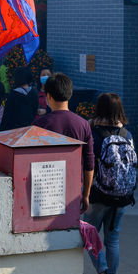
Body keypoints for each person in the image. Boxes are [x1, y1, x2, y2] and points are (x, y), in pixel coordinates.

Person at [83, 93, 138, 274]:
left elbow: (88, 164)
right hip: (122, 196)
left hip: (98, 195)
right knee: (112, 240)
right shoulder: (127, 134)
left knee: (89, 236)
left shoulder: (93, 133)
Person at [33, 73, 94, 214]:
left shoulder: (39, 125)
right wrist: (86, 195)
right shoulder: (83, 124)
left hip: (44, 191)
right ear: (70, 94)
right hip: (74, 190)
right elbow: (89, 163)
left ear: (48, 96)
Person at [0, 66, 38, 131]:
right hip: (29, 129)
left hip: (14, 131)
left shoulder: (13, 95)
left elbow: (6, 117)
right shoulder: (34, 93)